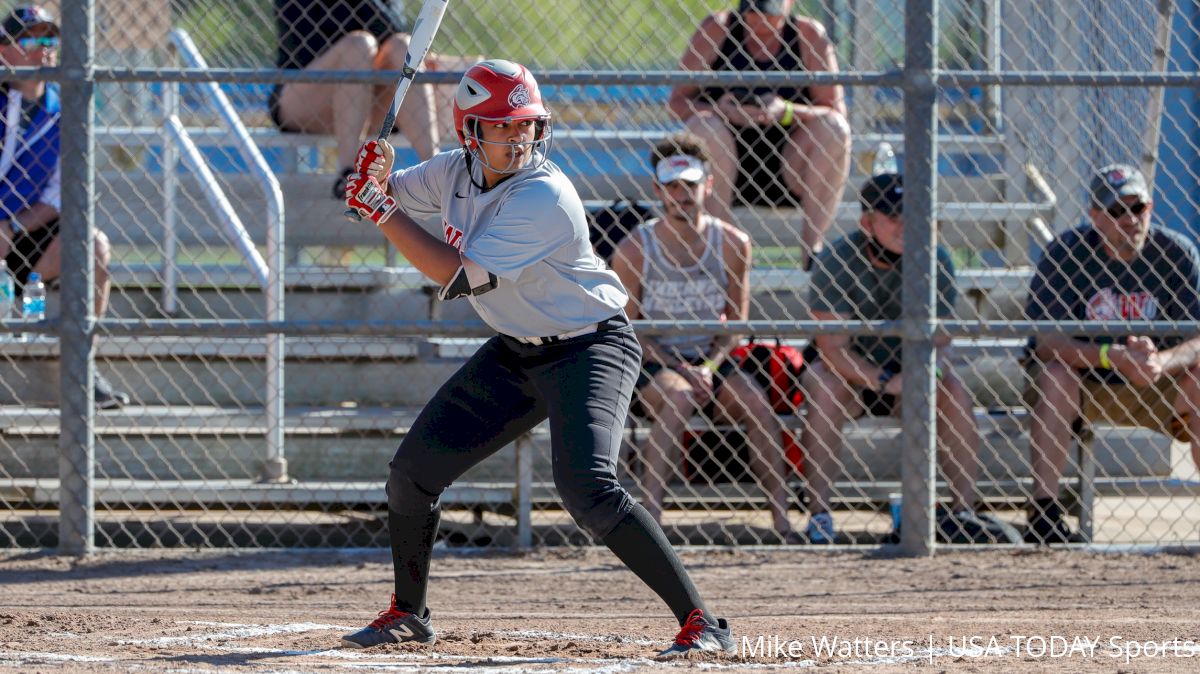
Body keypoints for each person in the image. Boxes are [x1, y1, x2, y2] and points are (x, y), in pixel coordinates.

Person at [340, 60, 734, 659]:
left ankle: (703, 622)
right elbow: (380, 195)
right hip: (516, 351)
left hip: (590, 346)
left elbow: (452, 275)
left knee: (587, 488)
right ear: (471, 133)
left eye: (526, 124)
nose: (519, 137)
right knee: (411, 474)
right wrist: (370, 178)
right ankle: (408, 613)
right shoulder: (453, 170)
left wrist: (381, 210)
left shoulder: (545, 194)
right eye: (502, 126)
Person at [610, 132, 799, 543]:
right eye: (673, 186)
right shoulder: (635, 248)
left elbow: (737, 323)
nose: (682, 194)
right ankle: (650, 528)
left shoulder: (732, 243)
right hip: (656, 358)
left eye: (691, 184)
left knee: (754, 401)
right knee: (677, 397)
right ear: (657, 190)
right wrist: (681, 368)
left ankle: (783, 521)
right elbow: (629, 329)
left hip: (713, 357)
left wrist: (708, 367)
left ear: (708, 185)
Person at [800, 173, 996, 544]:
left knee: (952, 389)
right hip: (850, 373)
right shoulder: (839, 258)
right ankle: (819, 516)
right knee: (824, 386)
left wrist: (925, 373)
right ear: (867, 222)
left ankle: (963, 513)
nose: (905, 224)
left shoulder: (934, 257)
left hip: (911, 369)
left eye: (912, 213)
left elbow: (941, 342)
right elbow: (833, 348)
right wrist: (885, 381)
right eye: (892, 215)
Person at [1023, 163, 1200, 544]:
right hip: (1089, 385)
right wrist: (1112, 356)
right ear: (1096, 217)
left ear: (1150, 209)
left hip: (1158, 386)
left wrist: (1160, 361)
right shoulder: (1066, 253)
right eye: (1117, 211)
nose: (1130, 220)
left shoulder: (1177, 252)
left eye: (1138, 209)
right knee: (1055, 375)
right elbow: (1046, 342)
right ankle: (1043, 514)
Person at [0, 5, 127, 410]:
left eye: (50, 39)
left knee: (94, 245)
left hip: (26, 236)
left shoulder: (67, 107)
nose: (44, 49)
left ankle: (82, 368)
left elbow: (61, 193)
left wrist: (13, 229)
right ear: (4, 51)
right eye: (31, 39)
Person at [667, 0, 851, 267]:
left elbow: (835, 111)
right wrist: (721, 110)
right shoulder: (718, 29)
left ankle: (812, 251)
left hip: (791, 166)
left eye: (769, 13)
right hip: (723, 168)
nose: (759, 21)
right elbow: (677, 103)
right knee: (706, 125)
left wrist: (785, 111)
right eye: (752, 12)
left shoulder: (809, 35)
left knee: (834, 129)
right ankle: (726, 247)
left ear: (789, 5)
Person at [271, 0, 473, 198]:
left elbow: (391, 31)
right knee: (358, 45)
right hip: (304, 97)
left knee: (402, 45)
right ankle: (350, 176)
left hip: (367, 104)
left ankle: (437, 172)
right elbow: (306, 47)